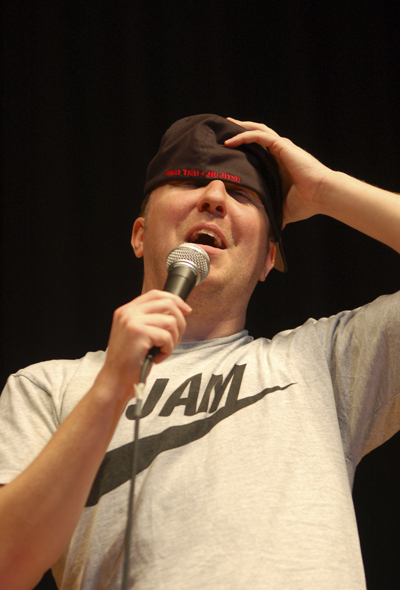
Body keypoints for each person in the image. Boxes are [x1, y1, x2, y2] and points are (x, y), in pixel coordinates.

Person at [0, 114, 399, 590]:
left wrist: (326, 190)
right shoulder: (47, 387)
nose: (214, 197)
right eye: (189, 181)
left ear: (268, 259)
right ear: (140, 235)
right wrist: (110, 386)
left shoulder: (326, 361)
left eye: (242, 195)